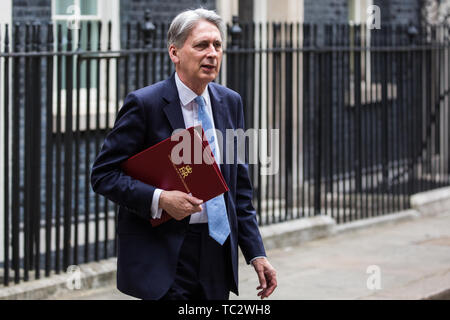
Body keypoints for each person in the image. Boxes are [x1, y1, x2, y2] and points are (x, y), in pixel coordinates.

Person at [91, 8, 277, 300]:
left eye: (217, 45)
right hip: (167, 255)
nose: (212, 53)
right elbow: (103, 175)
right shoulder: (144, 104)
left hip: (218, 252)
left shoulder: (231, 102)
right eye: (202, 45)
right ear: (175, 52)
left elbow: (239, 188)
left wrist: (256, 253)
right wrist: (161, 199)